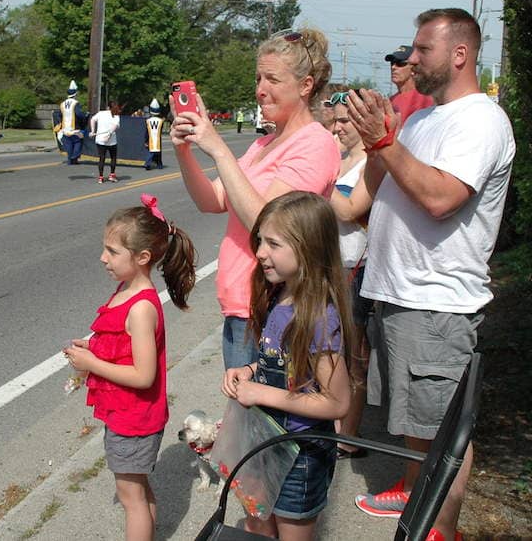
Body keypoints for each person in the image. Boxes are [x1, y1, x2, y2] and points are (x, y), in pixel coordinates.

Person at [347, 9, 516, 541]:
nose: (411, 59)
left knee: (443, 434)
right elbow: (369, 193)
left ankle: (441, 531)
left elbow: (442, 198)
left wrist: (383, 142)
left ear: (459, 54)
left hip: (437, 303)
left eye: (423, 50)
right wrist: (375, 133)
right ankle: (412, 489)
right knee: (414, 422)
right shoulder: (420, 121)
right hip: (396, 294)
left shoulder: (482, 120)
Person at [171, 27, 340, 370]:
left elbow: (269, 224)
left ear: (306, 85)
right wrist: (184, 151)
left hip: (273, 307)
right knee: (241, 416)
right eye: (258, 78)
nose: (261, 90)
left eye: (273, 79)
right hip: (240, 306)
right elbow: (213, 200)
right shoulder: (263, 144)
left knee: (261, 419)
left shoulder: (314, 144)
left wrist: (217, 147)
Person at [63, 194, 197, 541]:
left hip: (134, 418)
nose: (102, 258)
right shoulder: (126, 288)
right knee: (138, 490)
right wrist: (94, 347)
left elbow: (143, 375)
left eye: (112, 251)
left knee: (130, 497)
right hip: (129, 415)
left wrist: (92, 363)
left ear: (142, 257)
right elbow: (123, 346)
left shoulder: (141, 307)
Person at [222, 191, 353, 541]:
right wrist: (251, 371)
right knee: (256, 523)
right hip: (267, 442)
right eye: (260, 240)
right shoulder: (281, 296)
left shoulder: (319, 318)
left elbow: (336, 403)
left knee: (291, 532)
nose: (260, 252)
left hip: (300, 457)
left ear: (308, 248)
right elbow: (284, 363)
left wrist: (261, 391)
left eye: (273, 243)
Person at [326, 90, 374, 459]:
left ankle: (349, 435)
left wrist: (319, 181)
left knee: (354, 355)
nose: (337, 126)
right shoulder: (336, 160)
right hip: (325, 266)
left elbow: (346, 211)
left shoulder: (370, 165)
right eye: (336, 120)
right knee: (326, 351)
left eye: (345, 120)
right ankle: (329, 422)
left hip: (354, 268)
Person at [385, 45, 434, 124]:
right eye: (392, 63)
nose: (393, 67)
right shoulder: (391, 100)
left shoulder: (424, 99)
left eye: (400, 63)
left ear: (414, 68)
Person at [89, 101, 121, 183]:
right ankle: (112, 175)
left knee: (102, 158)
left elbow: (92, 119)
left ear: (108, 107)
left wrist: (93, 131)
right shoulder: (116, 116)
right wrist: (109, 135)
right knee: (113, 157)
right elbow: (115, 126)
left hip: (100, 140)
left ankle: (101, 177)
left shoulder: (101, 113)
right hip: (111, 141)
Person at [60, 80, 87, 165]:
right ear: (75, 94)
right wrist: (85, 116)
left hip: (65, 128)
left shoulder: (62, 104)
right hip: (75, 127)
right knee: (77, 142)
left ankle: (69, 160)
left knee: (68, 144)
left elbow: (60, 115)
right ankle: (74, 157)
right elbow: (79, 114)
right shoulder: (75, 103)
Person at [144, 98, 164, 170]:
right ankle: (159, 165)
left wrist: (146, 140)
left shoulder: (148, 121)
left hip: (150, 138)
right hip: (158, 138)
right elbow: (161, 130)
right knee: (158, 151)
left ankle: (148, 163)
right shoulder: (161, 121)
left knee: (150, 151)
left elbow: (147, 132)